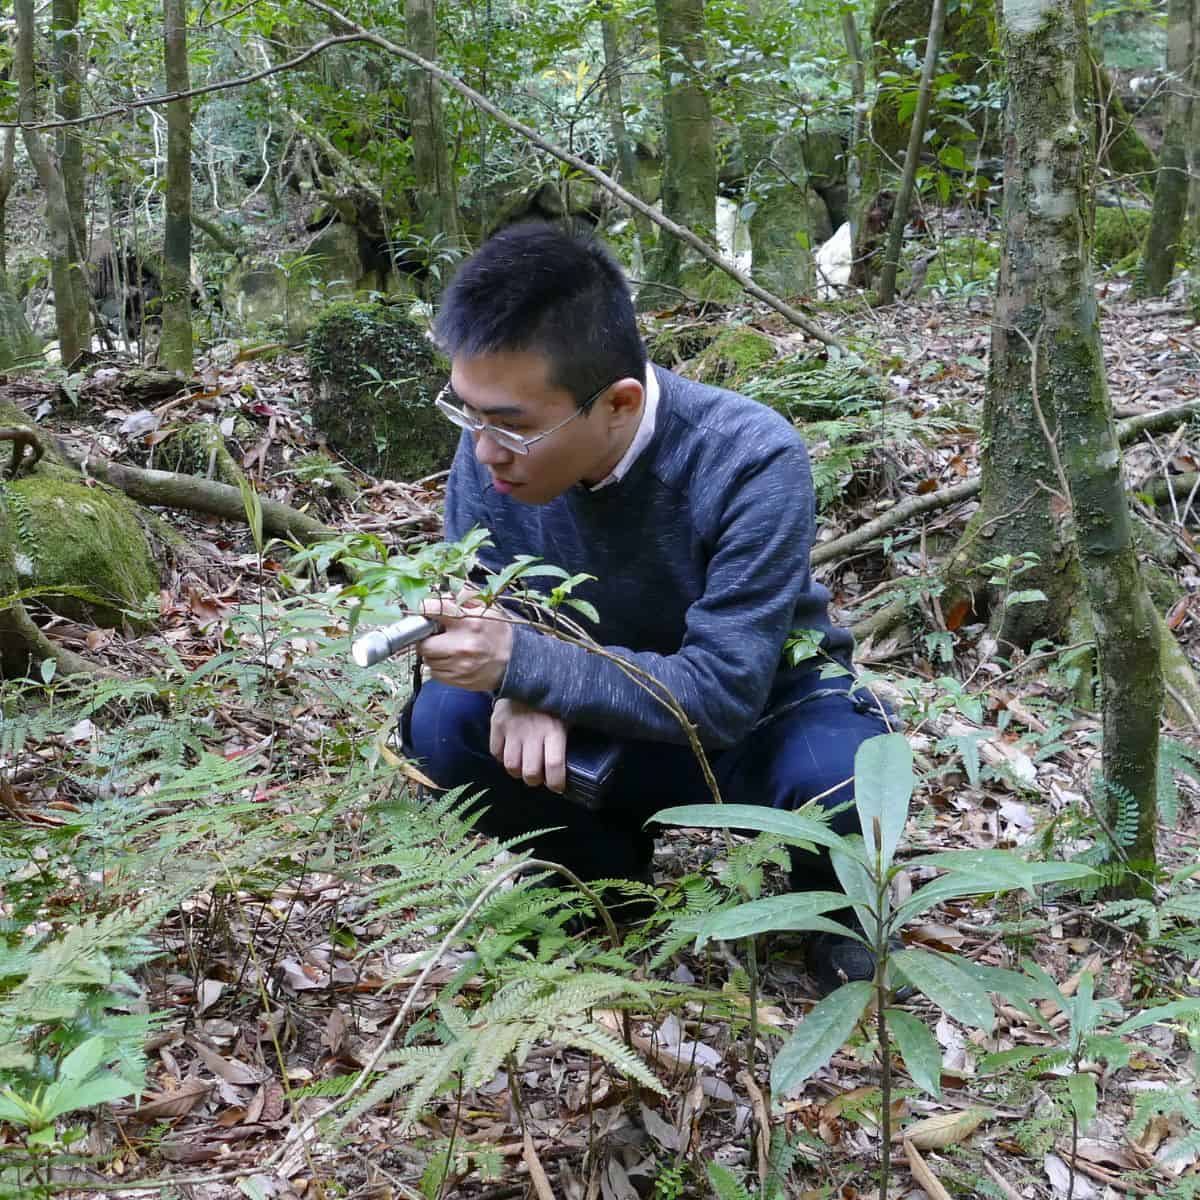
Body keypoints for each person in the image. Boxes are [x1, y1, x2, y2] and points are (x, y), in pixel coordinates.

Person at [400, 221, 894, 994]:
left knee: (848, 776)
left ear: (620, 404)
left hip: (762, 716)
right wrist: (516, 683)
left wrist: (528, 666)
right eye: (468, 411)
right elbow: (493, 593)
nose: (483, 448)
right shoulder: (489, 444)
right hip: (600, 725)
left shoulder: (747, 456)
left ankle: (829, 913)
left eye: (512, 425)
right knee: (441, 727)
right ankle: (600, 878)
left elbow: (727, 687)